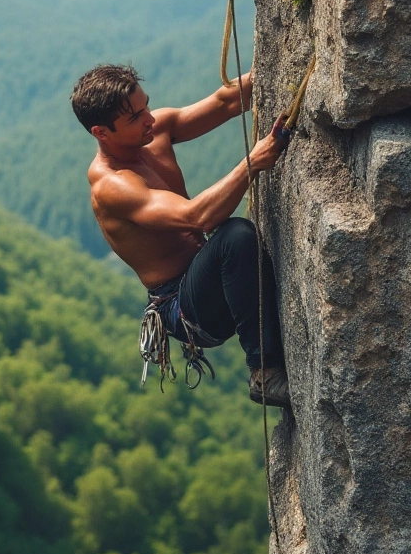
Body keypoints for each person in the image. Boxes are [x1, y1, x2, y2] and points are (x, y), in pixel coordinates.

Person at [73, 63, 290, 407]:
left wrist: (280, 62)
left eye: (145, 106)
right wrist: (252, 162)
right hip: (185, 308)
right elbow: (198, 218)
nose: (150, 120)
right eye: (135, 118)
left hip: (207, 277)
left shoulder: (153, 132)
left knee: (235, 239)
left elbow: (225, 102)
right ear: (101, 132)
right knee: (235, 236)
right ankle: (264, 374)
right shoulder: (113, 185)